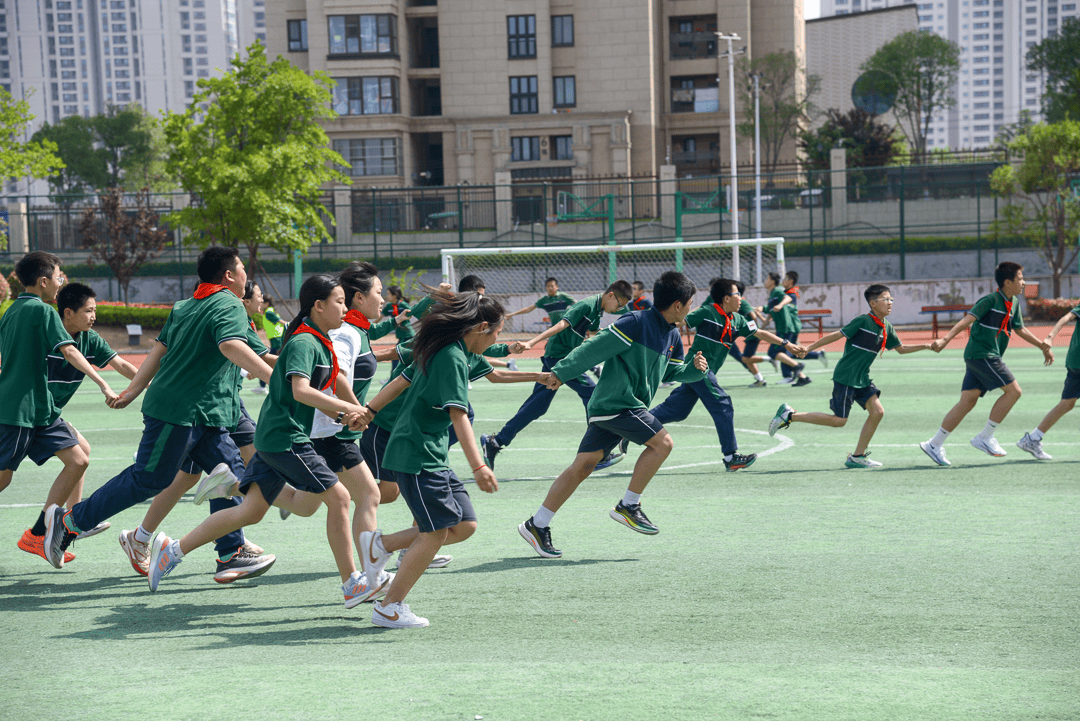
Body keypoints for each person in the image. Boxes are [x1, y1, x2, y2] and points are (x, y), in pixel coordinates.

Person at [146, 274, 383, 608]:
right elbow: (300, 390)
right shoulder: (303, 342)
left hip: (276, 436)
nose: (345, 309)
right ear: (318, 306)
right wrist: (347, 409)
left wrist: (353, 412)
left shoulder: (322, 340)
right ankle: (352, 584)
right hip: (285, 437)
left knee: (253, 510)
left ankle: (172, 550)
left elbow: (336, 378)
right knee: (341, 499)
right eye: (340, 302)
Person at [42, 247, 275, 571]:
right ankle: (69, 522)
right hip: (178, 412)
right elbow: (229, 345)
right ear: (229, 276)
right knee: (150, 478)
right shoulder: (229, 303)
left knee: (231, 474)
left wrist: (132, 390)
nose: (247, 277)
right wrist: (274, 379)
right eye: (243, 270)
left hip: (207, 414)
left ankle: (230, 551)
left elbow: (158, 352)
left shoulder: (186, 305)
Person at [518, 271, 710, 559]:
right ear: (679, 305)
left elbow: (671, 372)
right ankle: (629, 505)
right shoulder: (635, 322)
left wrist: (695, 369)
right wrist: (560, 372)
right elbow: (593, 348)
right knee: (663, 444)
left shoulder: (671, 334)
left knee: (582, 467)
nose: (692, 309)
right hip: (618, 404)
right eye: (691, 303)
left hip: (616, 408)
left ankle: (537, 524)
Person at [354, 290, 506, 628]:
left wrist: (369, 411)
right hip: (416, 452)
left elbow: (400, 381)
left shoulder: (448, 350)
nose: (498, 339)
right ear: (482, 327)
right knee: (435, 531)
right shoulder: (451, 356)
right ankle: (389, 607)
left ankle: (381, 545)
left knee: (464, 524)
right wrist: (479, 465)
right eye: (497, 332)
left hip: (430, 452)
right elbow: (459, 415)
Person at [118, 279, 274, 582]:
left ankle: (143, 537)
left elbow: (262, 357)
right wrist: (293, 377)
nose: (261, 302)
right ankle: (230, 544)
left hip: (215, 405)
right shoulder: (225, 315)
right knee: (240, 463)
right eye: (257, 297)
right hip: (214, 405)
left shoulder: (241, 319)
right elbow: (254, 358)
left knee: (189, 477)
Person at [0, 253, 120, 568]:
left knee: (79, 458)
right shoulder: (43, 311)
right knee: (2, 479)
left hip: (41, 408)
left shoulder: (12, 311)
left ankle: (41, 532)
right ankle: (44, 531)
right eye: (59, 276)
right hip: (19, 411)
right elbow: (69, 350)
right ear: (43, 282)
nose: (61, 281)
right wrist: (103, 384)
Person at [640, 278, 800, 472]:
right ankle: (731, 457)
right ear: (726, 298)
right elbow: (679, 321)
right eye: (737, 294)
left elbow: (758, 333)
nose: (741, 298)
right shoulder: (707, 312)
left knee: (677, 411)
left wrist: (786, 344)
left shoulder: (737, 320)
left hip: (708, 372)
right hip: (697, 367)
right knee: (722, 403)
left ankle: (634, 426)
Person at [768, 284, 933, 468]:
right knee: (839, 421)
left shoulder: (886, 327)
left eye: (891, 299)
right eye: (886, 299)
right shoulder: (863, 321)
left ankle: (857, 456)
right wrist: (808, 348)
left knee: (877, 412)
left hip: (862, 378)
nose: (890, 303)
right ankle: (790, 415)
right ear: (873, 303)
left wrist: (926, 345)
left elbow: (901, 349)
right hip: (847, 376)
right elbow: (836, 335)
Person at [480, 281, 633, 470]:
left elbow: (593, 336)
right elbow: (561, 324)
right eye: (619, 305)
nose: (618, 309)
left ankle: (494, 442)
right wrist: (531, 342)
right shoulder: (585, 305)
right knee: (593, 394)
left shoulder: (597, 311)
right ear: (610, 295)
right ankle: (596, 453)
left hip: (563, 357)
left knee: (537, 406)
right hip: (560, 358)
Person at [920, 261, 1054, 466]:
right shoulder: (990, 300)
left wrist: (1041, 346)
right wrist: (945, 340)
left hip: (982, 355)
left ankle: (934, 444)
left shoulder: (1014, 303)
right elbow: (967, 320)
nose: (1023, 283)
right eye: (1020, 279)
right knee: (1014, 391)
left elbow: (1020, 329)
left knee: (968, 400)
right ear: (1007, 282)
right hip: (983, 354)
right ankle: (985, 437)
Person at [1017, 300, 1080, 460]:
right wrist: (1050, 336)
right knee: (1067, 403)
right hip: (1078, 362)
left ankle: (1032, 438)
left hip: (1075, 361)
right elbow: (1066, 318)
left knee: (1067, 403)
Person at [756, 272, 809, 385]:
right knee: (784, 352)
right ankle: (802, 377)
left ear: (772, 281)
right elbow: (770, 314)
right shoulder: (772, 295)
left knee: (773, 352)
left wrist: (780, 306)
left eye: (767, 278)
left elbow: (787, 298)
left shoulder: (777, 291)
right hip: (783, 326)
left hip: (785, 327)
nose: (765, 281)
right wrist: (760, 328)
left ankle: (797, 366)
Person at [506, 277, 574, 326]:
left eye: (552, 286)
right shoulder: (544, 300)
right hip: (554, 327)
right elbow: (528, 309)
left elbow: (577, 304)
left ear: (557, 287)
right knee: (549, 346)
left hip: (566, 325)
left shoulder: (563, 296)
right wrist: (512, 314)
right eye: (548, 286)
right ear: (545, 288)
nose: (550, 288)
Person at [381, 285, 415, 374]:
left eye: (388, 294)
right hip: (401, 336)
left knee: (396, 355)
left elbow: (412, 313)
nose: (386, 296)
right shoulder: (389, 306)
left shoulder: (403, 304)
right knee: (402, 356)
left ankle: (393, 377)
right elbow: (379, 318)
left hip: (407, 334)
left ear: (394, 295)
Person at [255, 294, 284, 394]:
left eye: (262, 302)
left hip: (277, 342)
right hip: (276, 341)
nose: (261, 303)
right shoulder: (269, 312)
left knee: (267, 364)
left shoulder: (269, 313)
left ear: (267, 303)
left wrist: (292, 326)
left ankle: (264, 387)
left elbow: (282, 322)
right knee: (271, 364)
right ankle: (264, 386)